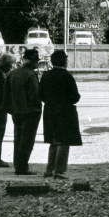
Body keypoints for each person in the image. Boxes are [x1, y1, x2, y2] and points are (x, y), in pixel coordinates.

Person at [39, 50, 82, 180]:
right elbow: (75, 97)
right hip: (64, 111)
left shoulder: (46, 75)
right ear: (64, 61)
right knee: (64, 140)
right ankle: (59, 170)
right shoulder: (67, 76)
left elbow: (40, 95)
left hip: (50, 110)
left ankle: (49, 169)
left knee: (53, 140)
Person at [2, 48, 42, 176]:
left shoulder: (12, 74)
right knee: (27, 140)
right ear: (32, 61)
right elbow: (34, 95)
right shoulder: (31, 75)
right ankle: (22, 167)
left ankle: (18, 165)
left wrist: (11, 109)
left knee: (18, 138)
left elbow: (5, 95)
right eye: (36, 61)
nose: (37, 63)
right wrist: (37, 108)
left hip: (16, 111)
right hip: (31, 112)